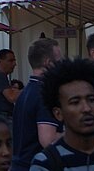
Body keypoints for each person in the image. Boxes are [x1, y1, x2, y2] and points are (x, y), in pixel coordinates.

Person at [29, 58, 94, 170]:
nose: (86, 108)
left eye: (91, 99)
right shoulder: (46, 163)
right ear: (58, 113)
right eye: (75, 102)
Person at [10, 38, 62, 171]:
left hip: (19, 164)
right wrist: (76, 134)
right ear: (49, 63)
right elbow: (48, 140)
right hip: (36, 166)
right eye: (60, 61)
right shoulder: (46, 93)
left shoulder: (25, 92)